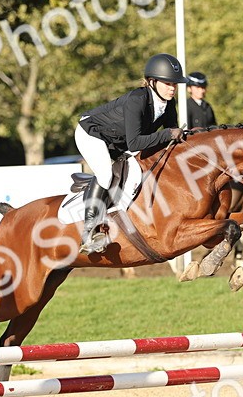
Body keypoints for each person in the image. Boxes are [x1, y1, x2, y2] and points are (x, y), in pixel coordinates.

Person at [75, 53, 187, 253]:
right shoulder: (137, 100)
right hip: (91, 133)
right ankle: (89, 232)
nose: (172, 88)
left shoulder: (169, 104)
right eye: (168, 83)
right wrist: (168, 133)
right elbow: (135, 143)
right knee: (105, 174)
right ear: (152, 82)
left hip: (117, 142)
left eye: (175, 84)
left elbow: (171, 140)